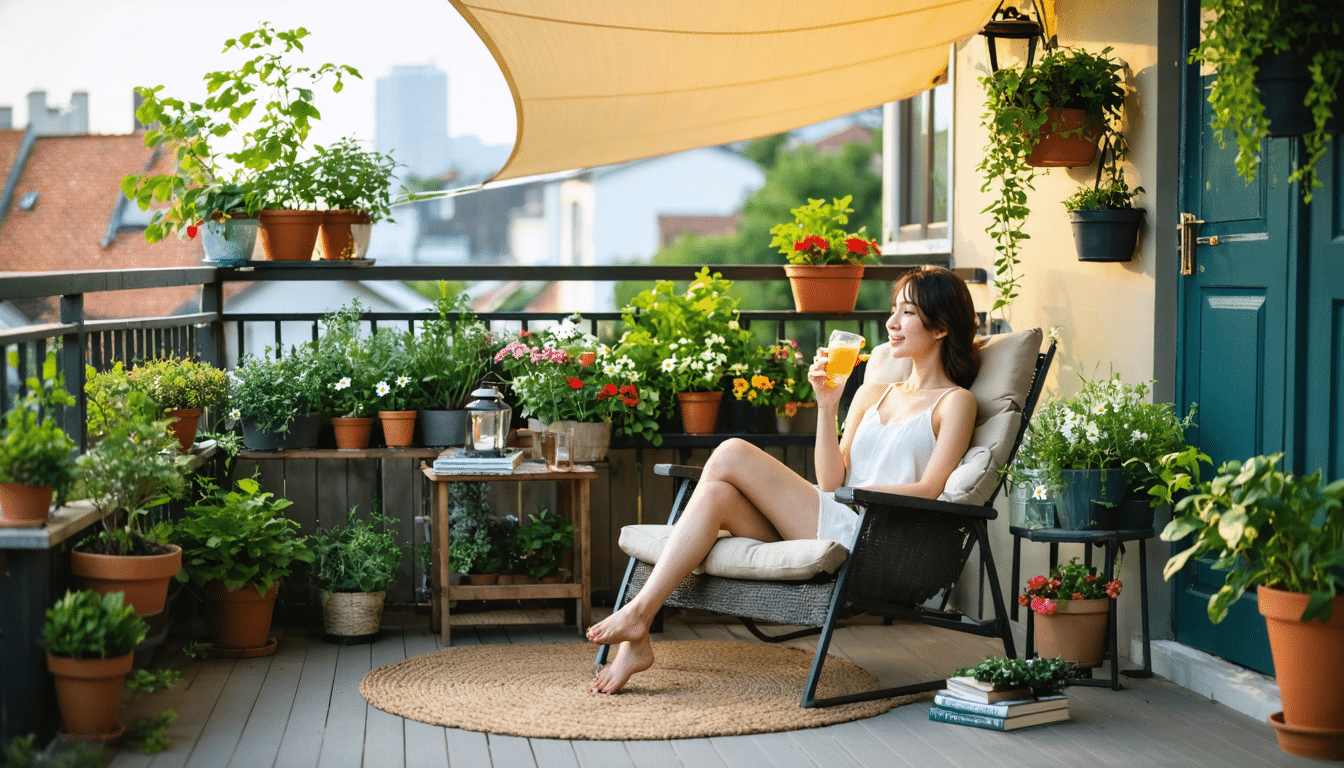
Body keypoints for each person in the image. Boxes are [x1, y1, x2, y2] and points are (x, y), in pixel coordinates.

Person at [587, 266, 981, 695]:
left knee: (733, 451)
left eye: (906, 312)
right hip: (831, 510)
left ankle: (638, 615)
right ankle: (639, 628)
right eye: (893, 310)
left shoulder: (955, 402)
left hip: (869, 531)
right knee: (718, 492)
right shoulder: (873, 393)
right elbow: (830, 478)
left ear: (941, 326)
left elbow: (930, 490)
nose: (891, 323)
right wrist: (827, 406)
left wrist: (857, 496)